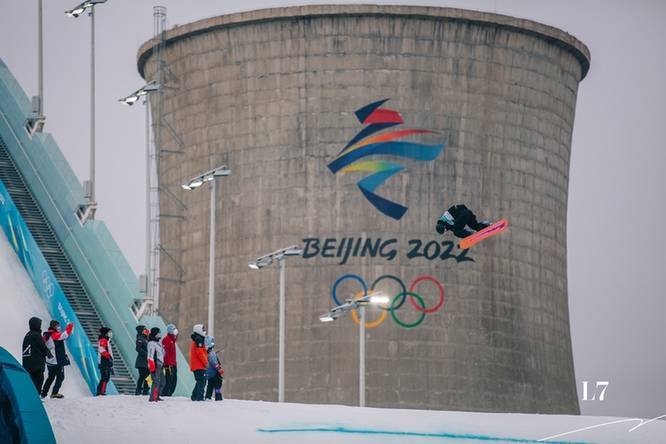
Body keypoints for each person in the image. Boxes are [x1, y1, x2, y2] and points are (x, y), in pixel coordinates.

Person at [41, 320, 74, 399]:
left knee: (51, 377)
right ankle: (54, 393)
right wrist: (70, 326)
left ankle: (44, 393)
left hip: (50, 361)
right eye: (57, 326)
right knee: (60, 377)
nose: (59, 327)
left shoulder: (47, 334)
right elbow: (64, 335)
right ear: (54, 326)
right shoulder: (54, 335)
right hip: (57, 361)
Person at [22, 317, 52, 393]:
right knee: (38, 380)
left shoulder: (27, 335)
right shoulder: (36, 335)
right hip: (36, 364)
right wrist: (49, 354)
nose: (40, 326)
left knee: (31, 382)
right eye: (39, 324)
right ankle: (36, 398)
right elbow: (43, 346)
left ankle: (31, 397)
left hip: (27, 364)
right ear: (36, 325)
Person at [189, 324, 208, 401]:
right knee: (202, 381)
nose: (204, 331)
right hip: (199, 365)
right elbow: (200, 353)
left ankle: (194, 396)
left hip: (197, 365)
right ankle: (200, 397)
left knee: (200, 380)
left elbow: (202, 352)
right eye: (203, 329)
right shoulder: (199, 340)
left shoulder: (197, 339)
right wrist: (206, 362)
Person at [147, 327, 165, 402]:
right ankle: (153, 397)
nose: (159, 334)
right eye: (158, 333)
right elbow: (150, 356)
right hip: (155, 364)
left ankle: (157, 395)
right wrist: (152, 367)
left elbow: (161, 354)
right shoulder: (151, 343)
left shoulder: (158, 343)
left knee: (163, 381)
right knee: (156, 381)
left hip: (160, 364)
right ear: (155, 334)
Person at [204, 335, 224, 401]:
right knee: (217, 385)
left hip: (209, 373)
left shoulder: (206, 353)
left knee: (210, 385)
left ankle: (208, 396)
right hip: (215, 373)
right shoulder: (211, 353)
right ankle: (218, 397)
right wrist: (219, 369)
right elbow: (214, 362)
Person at [161, 324, 178, 396]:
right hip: (169, 364)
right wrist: (168, 363)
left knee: (174, 379)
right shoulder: (167, 339)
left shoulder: (172, 340)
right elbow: (165, 353)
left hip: (174, 364)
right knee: (169, 379)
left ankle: (169, 393)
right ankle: (165, 393)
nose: (175, 330)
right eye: (174, 329)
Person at [96, 327, 113, 396]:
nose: (110, 334)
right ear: (106, 333)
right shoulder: (103, 340)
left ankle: (102, 391)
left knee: (106, 377)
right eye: (109, 332)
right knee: (104, 377)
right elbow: (102, 350)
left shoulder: (107, 340)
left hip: (107, 361)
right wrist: (109, 357)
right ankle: (101, 392)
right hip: (103, 361)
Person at [134, 325, 150, 396]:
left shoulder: (146, 339)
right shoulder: (140, 339)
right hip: (141, 362)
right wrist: (147, 354)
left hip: (147, 362)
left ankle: (145, 391)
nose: (146, 330)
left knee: (147, 376)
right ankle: (138, 390)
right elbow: (138, 349)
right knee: (142, 376)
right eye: (144, 329)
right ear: (141, 331)